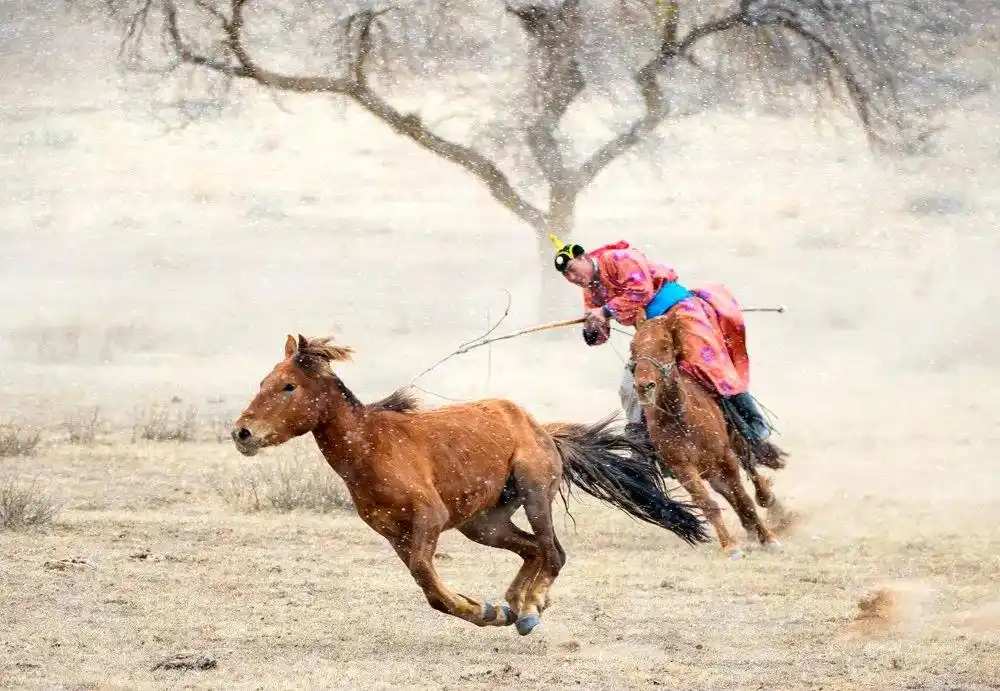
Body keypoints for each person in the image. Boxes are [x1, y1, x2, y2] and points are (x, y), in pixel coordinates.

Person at [550, 234, 781, 464]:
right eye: (566, 275)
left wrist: (606, 311)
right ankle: (643, 446)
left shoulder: (618, 258)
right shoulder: (590, 290)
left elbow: (641, 291)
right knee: (631, 385)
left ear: (584, 257)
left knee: (708, 365)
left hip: (680, 312)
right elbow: (602, 332)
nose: (572, 277)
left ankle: (755, 428)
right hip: (649, 331)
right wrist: (592, 327)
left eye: (572, 269)